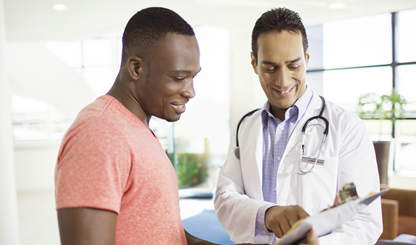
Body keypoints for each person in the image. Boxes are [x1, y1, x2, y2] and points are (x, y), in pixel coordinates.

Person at [55, 7, 223, 245]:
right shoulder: (99, 132)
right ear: (136, 68)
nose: (190, 91)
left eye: (193, 77)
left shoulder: (138, 130)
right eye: (178, 77)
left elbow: (164, 233)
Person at [214, 7, 382, 245]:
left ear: (307, 58)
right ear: (254, 63)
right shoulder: (245, 127)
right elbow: (224, 198)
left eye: (293, 65)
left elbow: (365, 220)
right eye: (270, 68)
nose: (283, 81)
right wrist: (267, 213)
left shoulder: (347, 127)